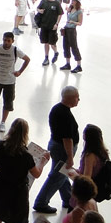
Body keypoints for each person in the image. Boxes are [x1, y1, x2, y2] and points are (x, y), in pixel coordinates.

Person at [34, 86, 81, 214]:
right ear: (70, 98)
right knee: (57, 176)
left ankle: (68, 199)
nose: (79, 99)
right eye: (77, 97)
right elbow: (67, 139)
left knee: (62, 173)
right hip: (62, 149)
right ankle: (41, 202)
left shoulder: (56, 109)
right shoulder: (65, 115)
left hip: (55, 145)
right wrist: (70, 157)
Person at [0, 31, 30, 132]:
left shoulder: (15, 50)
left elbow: (27, 59)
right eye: (4, 40)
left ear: (12, 41)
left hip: (9, 81)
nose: (6, 43)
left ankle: (3, 122)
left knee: (8, 102)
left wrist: (19, 72)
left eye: (8, 41)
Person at [36, 0, 63, 66]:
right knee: (46, 42)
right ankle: (46, 57)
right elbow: (38, 8)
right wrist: (39, 10)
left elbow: (60, 14)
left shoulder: (56, 3)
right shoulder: (43, 2)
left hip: (52, 26)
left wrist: (56, 24)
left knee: (52, 43)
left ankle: (55, 52)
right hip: (44, 25)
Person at [59, 0, 85, 72]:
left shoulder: (79, 11)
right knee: (65, 46)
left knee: (74, 47)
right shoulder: (70, 9)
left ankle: (79, 65)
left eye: (74, 0)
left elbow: (80, 23)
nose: (72, 2)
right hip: (67, 28)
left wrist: (73, 22)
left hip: (72, 30)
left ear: (77, 2)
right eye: (72, 0)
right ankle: (67, 63)